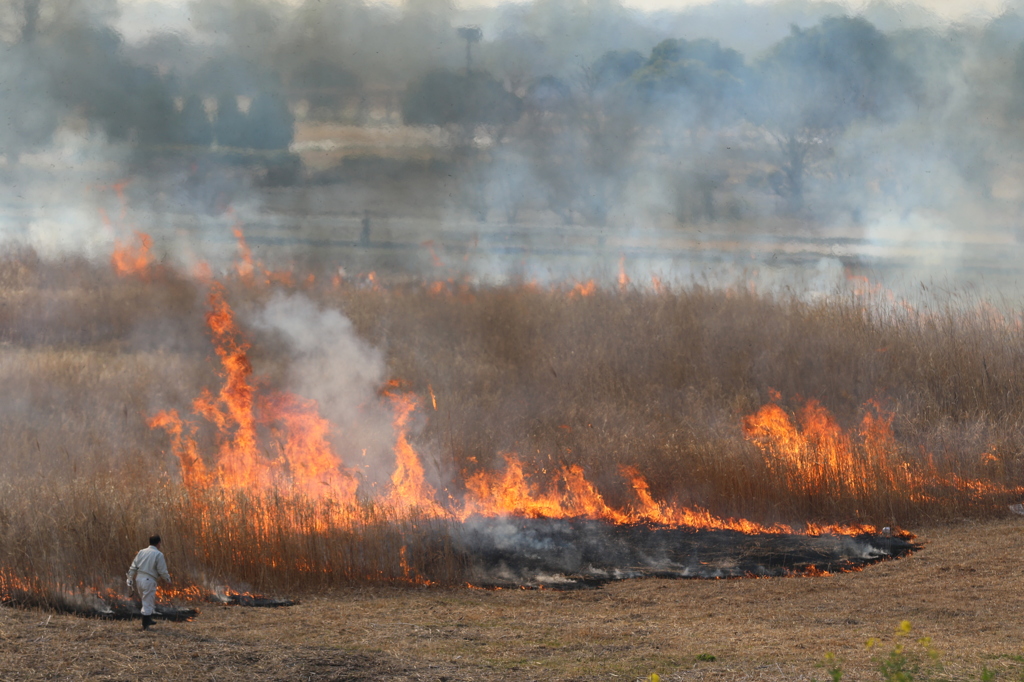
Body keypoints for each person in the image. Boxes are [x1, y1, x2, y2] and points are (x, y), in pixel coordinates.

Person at [126, 535, 171, 631]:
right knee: (147, 601)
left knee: (145, 600)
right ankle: (145, 624)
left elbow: (133, 567)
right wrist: (167, 580)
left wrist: (130, 578)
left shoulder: (141, 552)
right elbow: (162, 570)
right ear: (159, 543)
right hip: (149, 580)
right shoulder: (158, 554)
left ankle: (148, 619)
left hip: (139, 579)